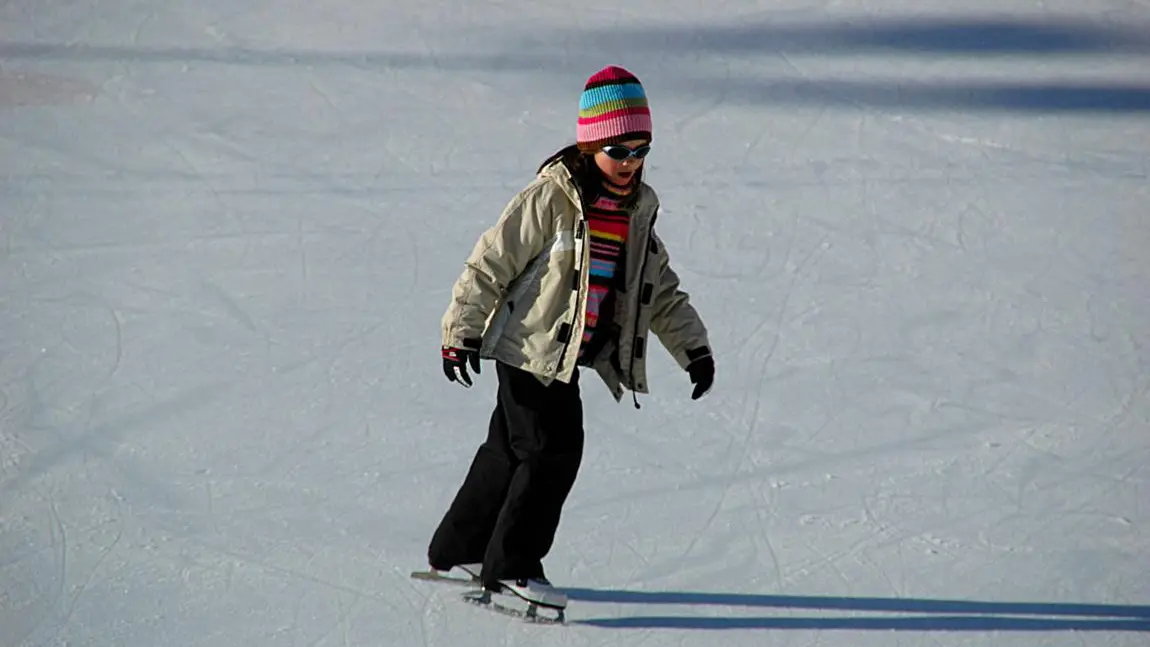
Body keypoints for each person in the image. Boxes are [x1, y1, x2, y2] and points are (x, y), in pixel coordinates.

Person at [427, 65, 714, 609]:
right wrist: (460, 332)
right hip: (529, 351)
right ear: (590, 144)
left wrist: (693, 349)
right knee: (553, 450)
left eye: (640, 149)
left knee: (508, 452)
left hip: (565, 357)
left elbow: (661, 289)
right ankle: (512, 567)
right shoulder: (552, 198)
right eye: (618, 149)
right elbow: (490, 264)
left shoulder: (636, 212)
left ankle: (459, 547)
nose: (630, 162)